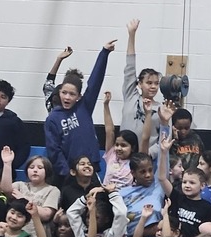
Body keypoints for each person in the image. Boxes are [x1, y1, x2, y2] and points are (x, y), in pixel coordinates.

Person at [45, 40, 114, 178]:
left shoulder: (84, 107)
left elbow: (95, 82)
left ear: (79, 96)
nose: (67, 97)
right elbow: (54, 149)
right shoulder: (53, 118)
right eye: (64, 93)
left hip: (90, 167)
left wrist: (104, 53)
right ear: (59, 92)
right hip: (69, 172)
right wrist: (66, 173)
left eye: (72, 94)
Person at [119, 19, 165, 157]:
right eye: (149, 83)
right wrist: (131, 35)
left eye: (156, 83)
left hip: (144, 159)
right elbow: (130, 66)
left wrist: (149, 153)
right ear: (139, 84)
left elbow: (164, 136)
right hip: (122, 155)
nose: (153, 86)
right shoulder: (131, 96)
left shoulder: (161, 109)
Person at [1, 149, 60, 237]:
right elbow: (6, 189)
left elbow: (46, 214)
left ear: (47, 171)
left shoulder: (52, 190)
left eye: (40, 168)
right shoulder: (20, 185)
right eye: (31, 167)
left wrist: (23, 199)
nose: (35, 170)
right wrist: (7, 164)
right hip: (14, 234)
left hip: (36, 236)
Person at [101, 90, 141, 188]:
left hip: (125, 197)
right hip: (106, 196)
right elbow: (109, 131)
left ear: (133, 147)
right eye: (117, 144)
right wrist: (106, 105)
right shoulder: (112, 155)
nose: (118, 148)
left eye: (123, 145)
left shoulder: (136, 162)